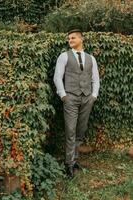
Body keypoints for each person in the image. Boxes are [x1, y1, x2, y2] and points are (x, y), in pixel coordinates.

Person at [53, 29, 100, 178]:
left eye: (73, 38)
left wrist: (93, 95)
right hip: (70, 98)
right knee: (71, 131)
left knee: (81, 130)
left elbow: (96, 79)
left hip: (87, 98)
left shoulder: (91, 58)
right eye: (69, 39)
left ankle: (75, 159)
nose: (70, 40)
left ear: (81, 39)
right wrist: (63, 96)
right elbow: (57, 77)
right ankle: (69, 164)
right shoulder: (64, 56)